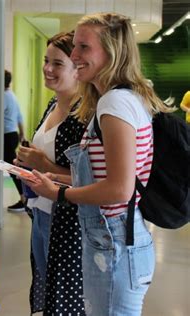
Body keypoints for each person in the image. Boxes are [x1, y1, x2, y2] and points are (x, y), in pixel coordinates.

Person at [26, 13, 170, 315]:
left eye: (83, 47)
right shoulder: (122, 99)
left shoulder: (114, 104)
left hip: (115, 240)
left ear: (112, 51)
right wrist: (54, 180)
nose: (74, 55)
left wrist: (60, 194)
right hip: (115, 238)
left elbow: (119, 189)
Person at [16, 31, 86, 315]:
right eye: (46, 61)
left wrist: (43, 165)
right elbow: (44, 158)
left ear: (77, 68)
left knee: (65, 295)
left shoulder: (85, 114)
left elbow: (89, 178)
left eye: (57, 63)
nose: (47, 68)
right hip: (41, 211)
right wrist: (27, 162)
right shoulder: (52, 105)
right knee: (46, 286)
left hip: (68, 221)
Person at [3, 70, 26, 212]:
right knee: (13, 167)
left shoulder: (3, 97)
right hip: (13, 135)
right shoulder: (12, 95)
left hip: (6, 136)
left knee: (13, 168)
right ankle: (24, 197)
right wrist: (22, 134)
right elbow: (20, 117)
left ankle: (24, 198)